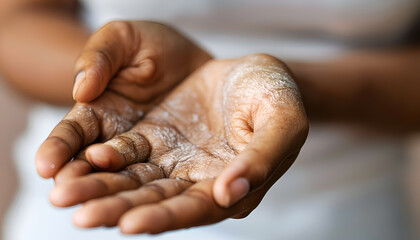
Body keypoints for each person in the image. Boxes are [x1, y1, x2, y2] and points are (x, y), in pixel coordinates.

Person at [1, 0, 420, 239]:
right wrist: (120, 75)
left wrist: (287, 87)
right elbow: (16, 24)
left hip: (347, 219)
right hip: (85, 201)